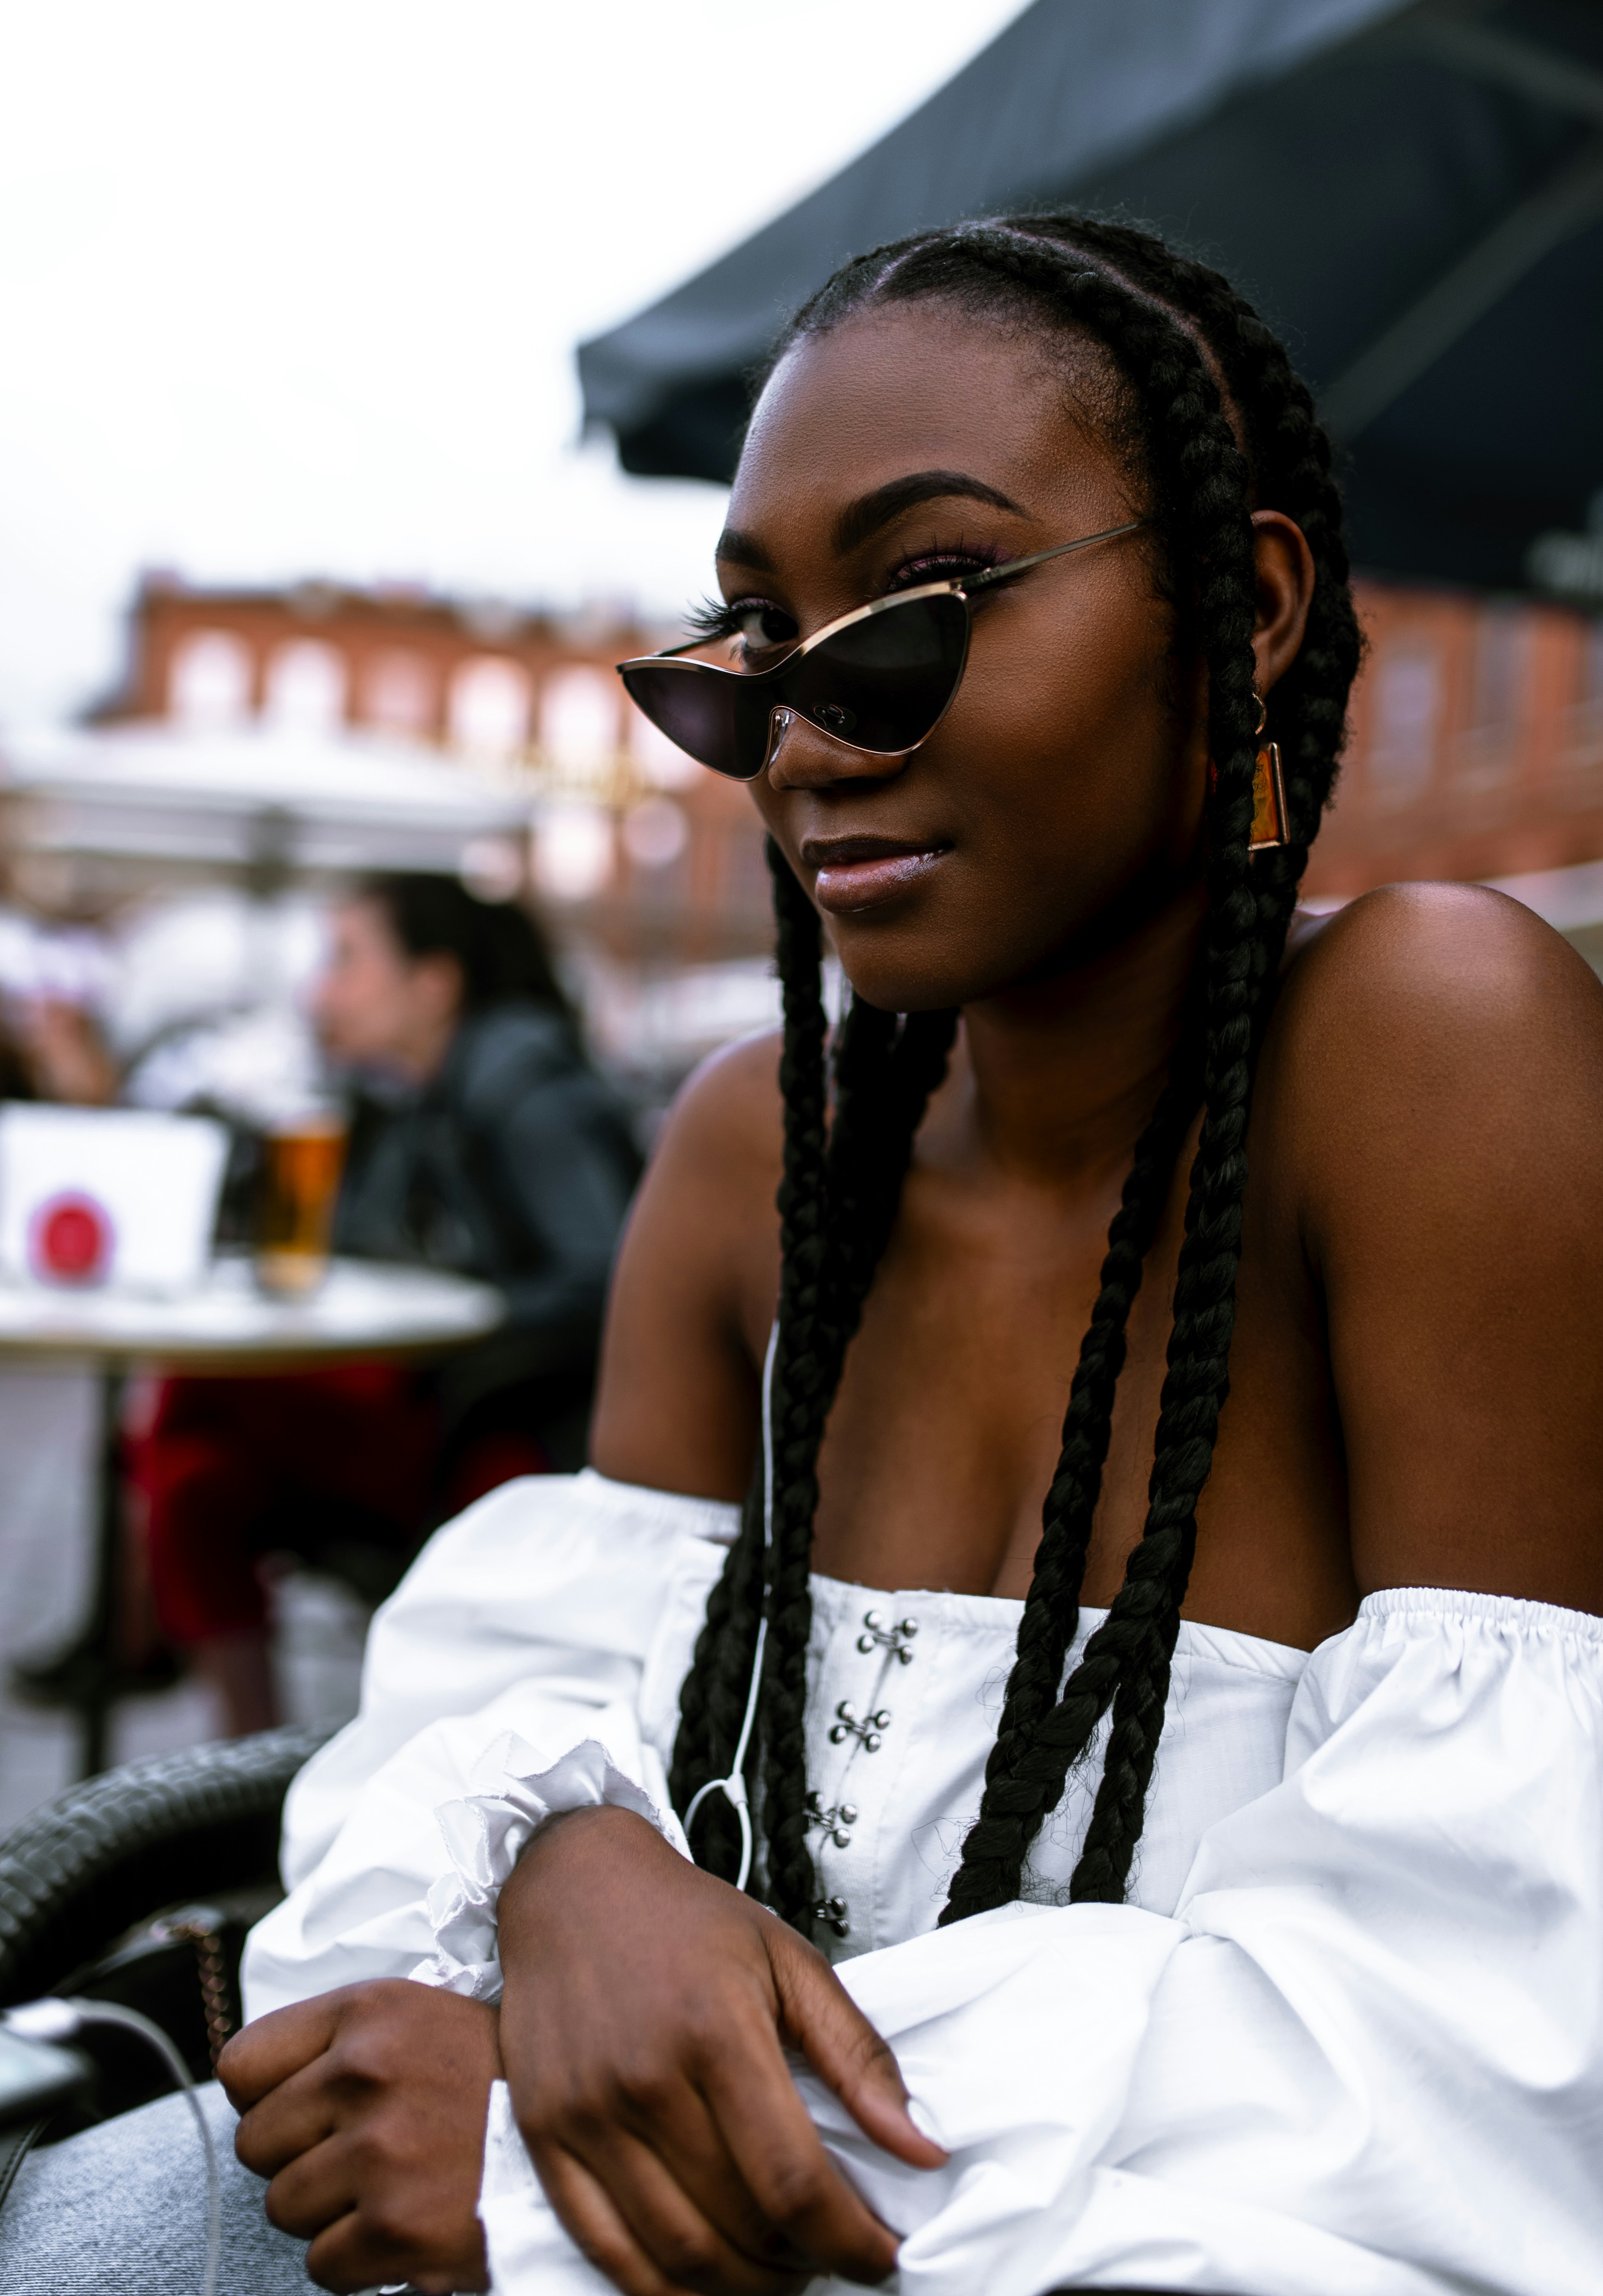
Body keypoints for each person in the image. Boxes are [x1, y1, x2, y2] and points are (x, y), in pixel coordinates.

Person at [7, 211, 1603, 2296]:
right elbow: (477, 1731)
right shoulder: (761, 1142)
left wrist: (539, 2149)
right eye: (749, 642)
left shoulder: (1429, 1048)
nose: (807, 733)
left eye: (920, 603)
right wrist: (566, 1857)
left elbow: (1469, 2056)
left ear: (1252, 601)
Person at [122, 873, 640, 1737]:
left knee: (192, 1390)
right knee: (193, 1475)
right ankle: (246, 1768)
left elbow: (607, 1277)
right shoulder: (401, 1097)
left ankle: (140, 1650)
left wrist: (456, 1327)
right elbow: (359, 1259)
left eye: (345, 960)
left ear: (432, 983)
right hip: (430, 1410)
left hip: (505, 1425)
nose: (319, 990)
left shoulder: (525, 1086)